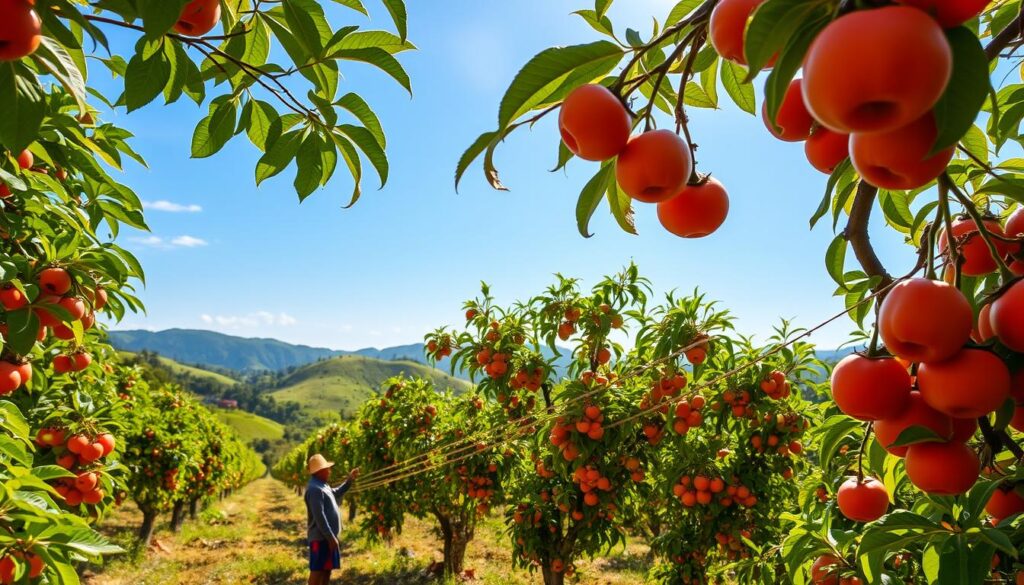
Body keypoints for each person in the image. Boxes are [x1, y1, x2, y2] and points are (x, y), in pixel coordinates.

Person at [305, 453, 359, 585]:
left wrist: (349, 480)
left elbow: (337, 492)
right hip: (321, 538)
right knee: (317, 571)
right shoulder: (314, 489)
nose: (329, 471)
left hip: (327, 537)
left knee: (326, 569)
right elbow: (320, 516)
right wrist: (330, 537)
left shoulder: (323, 485)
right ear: (319, 472)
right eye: (326, 469)